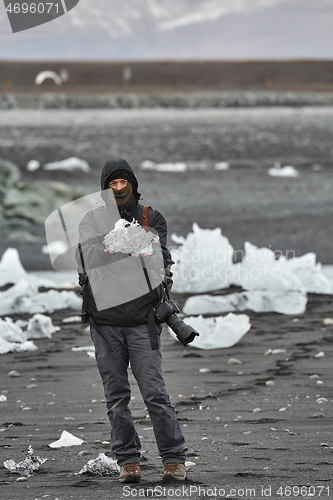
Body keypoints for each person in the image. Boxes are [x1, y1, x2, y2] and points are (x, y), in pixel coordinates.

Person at [76, 158, 187, 483]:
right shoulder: (92, 220)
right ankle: (128, 462)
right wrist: (118, 243)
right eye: (113, 184)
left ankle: (173, 459)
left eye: (124, 183)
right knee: (117, 398)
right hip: (104, 321)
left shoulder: (151, 217)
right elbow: (84, 257)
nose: (119, 188)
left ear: (133, 184)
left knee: (154, 393)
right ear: (104, 188)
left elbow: (161, 257)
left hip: (144, 321)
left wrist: (142, 245)